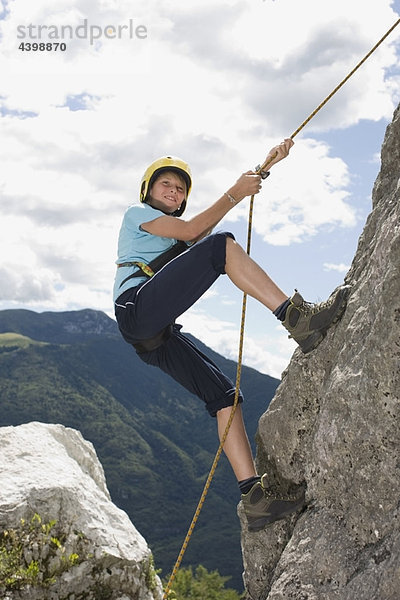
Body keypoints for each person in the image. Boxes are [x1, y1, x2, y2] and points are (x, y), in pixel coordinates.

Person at [113, 139, 350, 532]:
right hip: (137, 309)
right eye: (165, 185)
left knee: (226, 396)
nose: (174, 192)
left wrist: (264, 167)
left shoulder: (171, 237)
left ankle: (254, 498)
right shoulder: (136, 214)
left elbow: (195, 229)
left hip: (151, 334)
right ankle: (296, 318)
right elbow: (196, 229)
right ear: (148, 191)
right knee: (221, 245)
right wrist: (234, 192)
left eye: (180, 188)